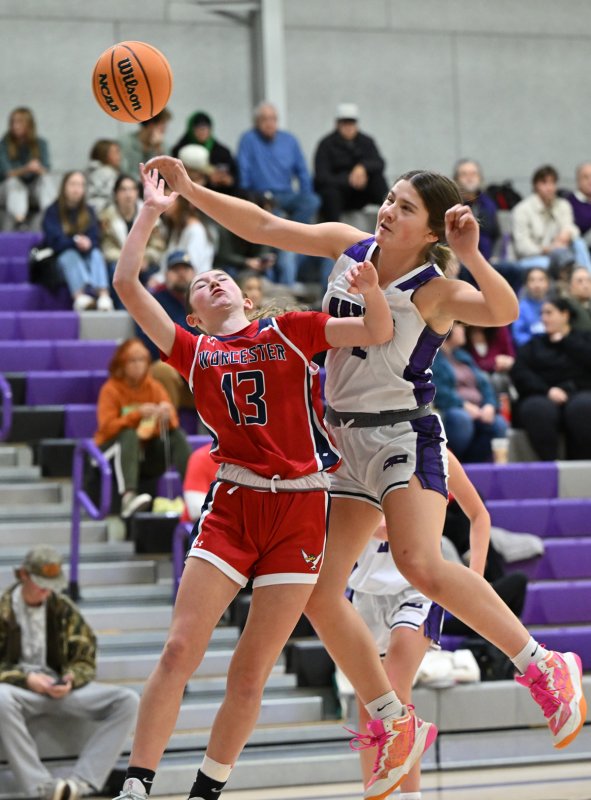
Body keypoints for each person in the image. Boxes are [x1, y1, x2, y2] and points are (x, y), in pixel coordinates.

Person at [146, 155, 587, 800]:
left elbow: (503, 307)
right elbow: (265, 225)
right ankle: (392, 719)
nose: (388, 211)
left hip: (403, 432)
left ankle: (543, 664)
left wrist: (472, 250)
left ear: (430, 231)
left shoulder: (434, 287)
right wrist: (191, 190)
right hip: (343, 441)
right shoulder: (347, 246)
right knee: (320, 594)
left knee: (418, 563)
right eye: (389, 198)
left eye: (405, 208)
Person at [111, 165, 411, 800]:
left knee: (250, 674)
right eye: (198, 283)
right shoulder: (191, 352)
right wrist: (150, 212)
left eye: (220, 276)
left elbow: (379, 333)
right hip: (234, 502)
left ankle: (207, 789)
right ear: (192, 309)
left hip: (301, 507)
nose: (210, 279)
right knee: (178, 651)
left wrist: (373, 288)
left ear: (247, 297)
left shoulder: (290, 330)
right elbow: (126, 282)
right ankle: (137, 783)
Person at [349, 451, 489, 800]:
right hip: (365, 592)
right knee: (369, 702)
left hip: (417, 590)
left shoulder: (434, 447)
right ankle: (375, 794)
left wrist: (475, 583)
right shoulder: (355, 442)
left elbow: (480, 516)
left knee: (394, 688)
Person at [0, 545, 139, 800]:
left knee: (128, 701)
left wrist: (71, 679)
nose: (45, 589)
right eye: (40, 582)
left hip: (62, 691)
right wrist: (26, 679)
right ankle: (41, 787)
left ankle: (81, 784)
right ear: (23, 576)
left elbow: (85, 656)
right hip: (20, 692)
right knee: (1, 699)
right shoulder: (3, 609)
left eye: (50, 583)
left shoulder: (64, 609)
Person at [94, 338, 191, 518]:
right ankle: (128, 498)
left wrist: (166, 415)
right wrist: (137, 415)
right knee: (129, 434)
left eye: (142, 360)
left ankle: (193, 492)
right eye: (132, 360)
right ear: (121, 364)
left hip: (144, 455)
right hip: (110, 453)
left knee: (176, 436)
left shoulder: (154, 388)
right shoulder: (110, 390)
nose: (138, 365)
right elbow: (107, 429)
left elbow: (173, 424)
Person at [237, 102, 320, 286]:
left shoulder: (289, 140)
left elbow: (303, 172)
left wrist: (305, 192)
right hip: (263, 197)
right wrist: (252, 197)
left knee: (312, 201)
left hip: (288, 195)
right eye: (265, 119)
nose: (269, 123)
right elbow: (243, 173)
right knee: (286, 238)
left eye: (273, 119)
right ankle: (288, 282)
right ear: (257, 122)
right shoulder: (248, 140)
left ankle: (291, 226)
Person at [510, 296, 591, 460]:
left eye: (549, 313)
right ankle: (550, 466)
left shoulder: (583, 339)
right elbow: (519, 371)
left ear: (565, 315)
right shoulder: (534, 344)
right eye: (542, 314)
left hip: (580, 393)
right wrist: (547, 390)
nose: (544, 318)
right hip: (543, 394)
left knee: (583, 408)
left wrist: (567, 341)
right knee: (536, 410)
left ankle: (580, 466)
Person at [432, 323, 508, 462]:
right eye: (459, 327)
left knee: (499, 424)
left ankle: (477, 466)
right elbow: (439, 391)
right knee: (461, 419)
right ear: (448, 329)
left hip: (478, 408)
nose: (464, 330)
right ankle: (456, 464)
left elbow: (484, 384)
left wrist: (490, 405)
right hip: (454, 408)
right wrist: (463, 405)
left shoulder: (463, 355)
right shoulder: (434, 358)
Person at [42, 171, 113, 311]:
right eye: (73, 184)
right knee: (70, 255)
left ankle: (103, 295)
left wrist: (89, 243)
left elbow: (95, 238)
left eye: (81, 185)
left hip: (86, 256)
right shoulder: (52, 212)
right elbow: (54, 242)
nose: (77, 189)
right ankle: (79, 296)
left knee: (96, 254)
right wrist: (75, 242)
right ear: (64, 187)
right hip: (60, 260)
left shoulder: (89, 211)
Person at [138, 250, 197, 412]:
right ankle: (169, 433)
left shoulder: (202, 300)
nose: (181, 274)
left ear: (194, 273)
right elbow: (149, 343)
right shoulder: (154, 300)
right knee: (162, 369)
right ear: (166, 274)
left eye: (185, 269)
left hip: (198, 370)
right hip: (170, 368)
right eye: (175, 270)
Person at [313, 103, 388, 222]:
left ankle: (390, 217)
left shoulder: (366, 141)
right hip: (338, 195)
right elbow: (322, 177)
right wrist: (349, 179)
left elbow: (379, 163)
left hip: (361, 193)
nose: (349, 127)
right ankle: (333, 234)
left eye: (352, 123)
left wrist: (362, 167)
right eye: (345, 123)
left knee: (378, 181)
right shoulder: (326, 144)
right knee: (330, 194)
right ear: (337, 124)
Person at [512, 164, 591, 271]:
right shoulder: (522, 210)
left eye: (552, 183)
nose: (549, 188)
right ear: (535, 185)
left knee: (579, 243)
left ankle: (587, 278)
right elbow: (522, 246)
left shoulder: (563, 205)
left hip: (559, 253)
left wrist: (567, 233)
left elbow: (572, 228)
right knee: (550, 263)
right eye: (544, 183)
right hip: (533, 257)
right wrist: (546, 249)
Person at [100, 174, 166, 301]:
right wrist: (130, 261)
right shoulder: (106, 217)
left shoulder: (151, 213)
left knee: (154, 275)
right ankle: (122, 310)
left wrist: (144, 258)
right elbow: (106, 247)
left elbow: (158, 245)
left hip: (147, 262)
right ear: (116, 194)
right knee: (117, 271)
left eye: (132, 189)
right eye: (123, 190)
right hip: (119, 262)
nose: (128, 194)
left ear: (137, 192)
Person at [0, 107, 55, 230]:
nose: (15, 126)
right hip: (7, 190)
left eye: (19, 122)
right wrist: (27, 169)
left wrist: (38, 169)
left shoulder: (41, 143)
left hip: (32, 189)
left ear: (29, 124)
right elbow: (6, 173)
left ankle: (52, 216)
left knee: (45, 179)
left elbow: (46, 168)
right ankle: (20, 221)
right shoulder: (3, 144)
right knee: (14, 183)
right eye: (13, 122)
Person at [171, 110, 238, 194]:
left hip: (218, 194)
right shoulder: (181, 150)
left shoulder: (222, 152)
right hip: (190, 194)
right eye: (198, 128)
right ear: (191, 129)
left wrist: (227, 179)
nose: (202, 131)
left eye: (205, 128)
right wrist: (207, 176)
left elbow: (233, 177)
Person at [453, 159, 500, 261]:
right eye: (464, 174)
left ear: (480, 178)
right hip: (459, 262)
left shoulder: (489, 204)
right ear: (456, 179)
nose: (469, 178)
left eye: (473, 174)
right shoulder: (450, 204)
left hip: (487, 261)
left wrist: (495, 256)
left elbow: (497, 235)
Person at [464, 324, 515, 395]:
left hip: (501, 376)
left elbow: (511, 356)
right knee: (484, 378)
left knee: (497, 379)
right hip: (476, 381)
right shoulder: (461, 334)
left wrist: (508, 362)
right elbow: (466, 364)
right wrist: (493, 362)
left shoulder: (499, 327)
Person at [119, 109, 171, 179]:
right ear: (151, 125)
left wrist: (159, 151)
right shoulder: (125, 142)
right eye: (162, 125)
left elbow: (168, 176)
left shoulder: (163, 146)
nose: (165, 130)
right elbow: (123, 171)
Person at [512, 266, 551, 347]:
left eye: (541, 280)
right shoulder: (520, 308)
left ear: (548, 283)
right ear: (526, 285)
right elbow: (518, 335)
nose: (537, 285)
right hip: (531, 350)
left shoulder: (554, 305)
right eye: (532, 280)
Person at [86, 139, 122, 213]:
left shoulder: (90, 171)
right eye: (116, 152)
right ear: (105, 154)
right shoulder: (108, 173)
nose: (119, 156)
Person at [565, 162, 591, 250]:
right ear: (578, 180)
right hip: (577, 245)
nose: (590, 181)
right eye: (586, 177)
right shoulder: (569, 202)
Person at [566, 265, 591, 330]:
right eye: (580, 281)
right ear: (570, 286)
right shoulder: (566, 308)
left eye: (588, 280)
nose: (586, 286)